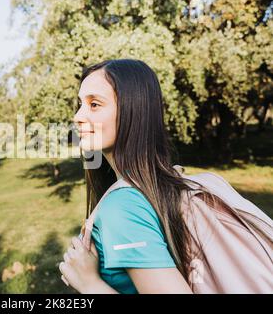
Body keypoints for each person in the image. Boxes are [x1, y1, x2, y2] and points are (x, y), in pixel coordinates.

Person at [58, 59, 196, 294]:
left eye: (94, 104)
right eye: (80, 104)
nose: (77, 116)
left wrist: (89, 284)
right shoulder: (163, 180)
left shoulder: (122, 207)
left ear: (133, 110)